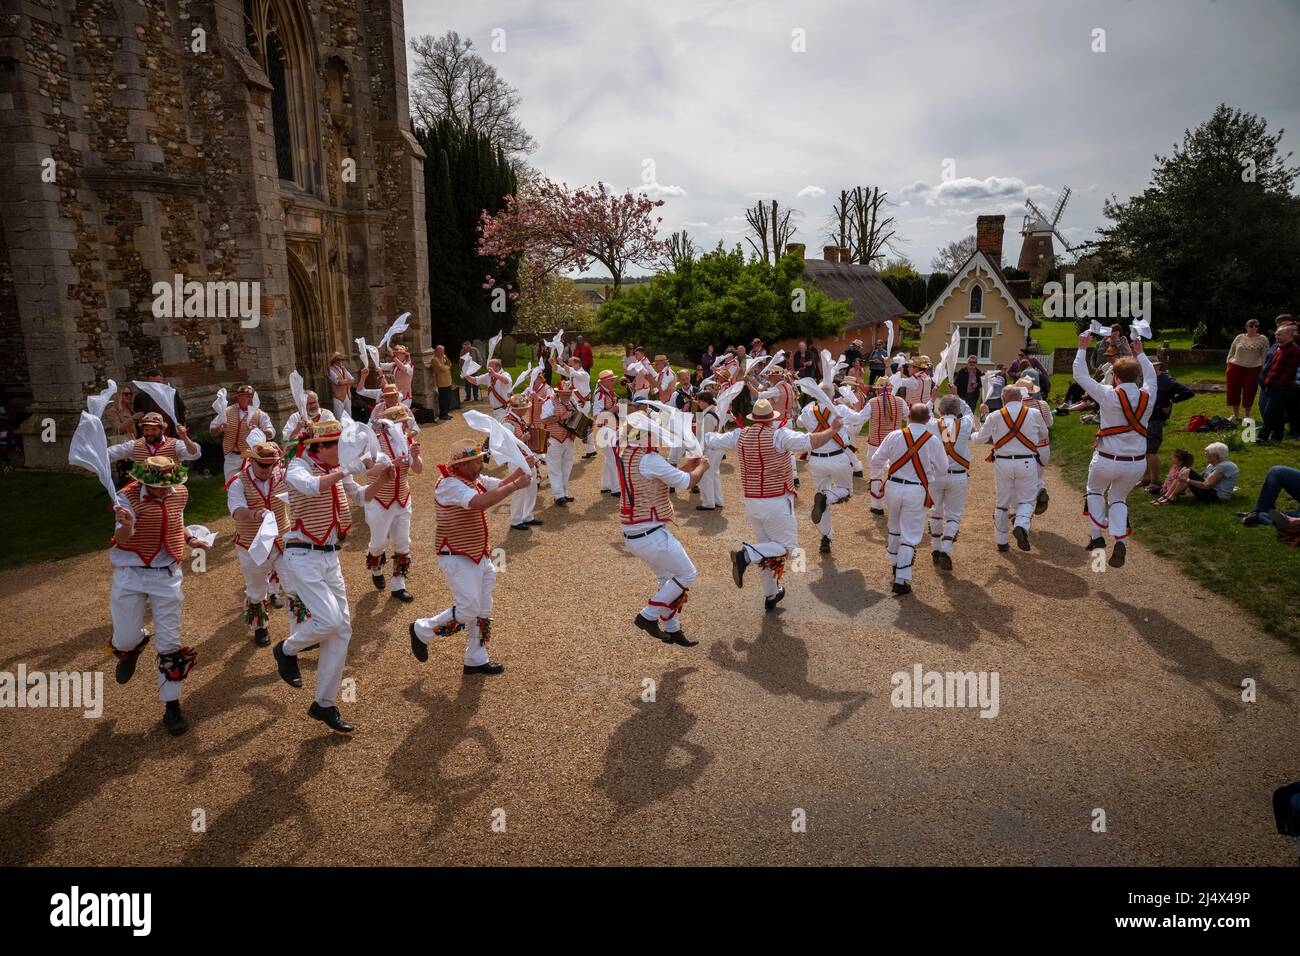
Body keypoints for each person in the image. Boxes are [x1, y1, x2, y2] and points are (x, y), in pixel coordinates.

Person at [273, 419, 385, 733]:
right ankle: (286, 649)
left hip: (329, 555)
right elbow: (311, 487)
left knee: (342, 630)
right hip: (302, 555)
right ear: (319, 447)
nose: (345, 450)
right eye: (339, 445)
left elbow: (361, 496)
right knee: (329, 621)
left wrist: (384, 477)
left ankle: (324, 703)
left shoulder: (335, 469)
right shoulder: (297, 467)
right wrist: (351, 466)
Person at [409, 439, 531, 675]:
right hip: (456, 554)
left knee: (484, 607)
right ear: (463, 465)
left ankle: (476, 658)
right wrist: (516, 485)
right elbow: (480, 502)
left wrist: (522, 467)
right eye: (477, 462)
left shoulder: (471, 479)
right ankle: (422, 629)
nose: (482, 466)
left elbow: (498, 486)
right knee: (467, 609)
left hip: (478, 553)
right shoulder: (448, 484)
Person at [705, 398, 840, 612]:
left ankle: (770, 594)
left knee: (767, 548)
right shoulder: (779, 435)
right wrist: (833, 429)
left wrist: (700, 427)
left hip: (752, 500)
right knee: (790, 548)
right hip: (776, 499)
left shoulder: (740, 435)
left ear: (753, 418)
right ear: (771, 419)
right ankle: (746, 555)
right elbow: (811, 441)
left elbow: (711, 440)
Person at [107, 456, 209, 736]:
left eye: (169, 485)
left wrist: (190, 540)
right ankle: (133, 644)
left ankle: (171, 706)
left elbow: (177, 521)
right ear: (143, 481)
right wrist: (126, 523)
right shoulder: (125, 497)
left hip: (167, 574)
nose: (165, 491)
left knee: (170, 641)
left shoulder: (180, 493)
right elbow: (123, 538)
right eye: (157, 486)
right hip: (131, 571)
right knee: (124, 637)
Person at [615, 410, 711, 646]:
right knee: (688, 573)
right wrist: (702, 467)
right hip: (649, 533)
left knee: (666, 578)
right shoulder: (650, 459)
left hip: (634, 532)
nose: (658, 437)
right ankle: (647, 615)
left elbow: (669, 476)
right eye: (654, 432)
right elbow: (687, 483)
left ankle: (672, 628)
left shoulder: (628, 453)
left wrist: (688, 465)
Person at [1072, 332, 1156, 567]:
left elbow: (1080, 375)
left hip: (1107, 459)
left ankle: (1098, 535)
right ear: (1136, 376)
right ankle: (1119, 539)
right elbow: (1152, 377)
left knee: (1095, 491)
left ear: (1115, 377)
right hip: (1136, 463)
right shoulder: (1148, 396)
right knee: (1118, 498)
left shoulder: (1107, 394)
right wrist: (1141, 353)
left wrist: (1082, 348)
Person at [872, 404, 950, 595]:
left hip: (893, 486)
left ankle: (895, 562)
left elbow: (875, 460)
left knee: (894, 525)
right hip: (916, 490)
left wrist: (891, 466)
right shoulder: (933, 440)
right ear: (927, 420)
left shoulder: (894, 435)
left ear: (908, 417)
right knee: (910, 533)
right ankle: (901, 579)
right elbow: (943, 468)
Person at [226, 439, 291, 647]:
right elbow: (236, 511)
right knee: (255, 590)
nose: (267, 469)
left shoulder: (282, 474)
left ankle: (302, 632)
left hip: (282, 539)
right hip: (252, 543)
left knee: (294, 585)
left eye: (271, 464)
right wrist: (256, 514)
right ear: (251, 461)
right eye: (262, 465)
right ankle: (260, 626)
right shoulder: (238, 481)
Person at [972, 384, 1049, 553]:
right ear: (1021, 398)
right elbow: (1044, 435)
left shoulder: (995, 416)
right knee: (1026, 500)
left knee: (1002, 502)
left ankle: (1002, 542)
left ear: (1002, 399)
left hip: (1003, 462)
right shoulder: (1035, 414)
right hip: (1027, 461)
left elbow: (979, 440)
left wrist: (973, 433)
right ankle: (1021, 524)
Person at [364, 404, 423, 603]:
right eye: (403, 421)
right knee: (378, 542)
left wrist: (414, 457)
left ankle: (399, 585)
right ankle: (376, 565)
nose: (407, 424)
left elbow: (418, 470)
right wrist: (391, 464)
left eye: (406, 420)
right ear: (391, 425)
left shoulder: (408, 440)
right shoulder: (375, 442)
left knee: (402, 542)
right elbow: (368, 472)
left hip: (403, 498)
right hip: (380, 499)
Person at [927, 395, 974, 571]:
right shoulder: (966, 423)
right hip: (958, 475)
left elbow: (922, 413)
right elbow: (969, 411)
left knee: (936, 512)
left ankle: (935, 548)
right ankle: (946, 549)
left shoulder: (931, 424)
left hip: (936, 475)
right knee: (954, 515)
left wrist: (932, 398)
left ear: (939, 410)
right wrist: (960, 397)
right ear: (958, 411)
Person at [1140, 360, 1195, 492]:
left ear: (1158, 366)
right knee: (1143, 450)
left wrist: (1171, 401)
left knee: (1151, 451)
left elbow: (1188, 392)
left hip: (1156, 419)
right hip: (1144, 418)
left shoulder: (1167, 381)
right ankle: (1145, 478)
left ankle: (1154, 482)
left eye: (1151, 366)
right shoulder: (1146, 379)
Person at [863, 379, 910, 514]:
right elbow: (908, 416)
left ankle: (877, 506)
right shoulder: (901, 401)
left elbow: (860, 418)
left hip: (876, 443)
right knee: (895, 469)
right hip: (896, 443)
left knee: (875, 472)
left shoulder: (872, 403)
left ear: (878, 389)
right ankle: (897, 501)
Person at [212, 384, 273, 480]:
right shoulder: (227, 411)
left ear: (253, 398)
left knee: (251, 486)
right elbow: (212, 431)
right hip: (231, 456)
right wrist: (219, 429)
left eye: (248, 396)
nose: (245, 399)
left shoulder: (259, 414)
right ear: (238, 397)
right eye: (242, 396)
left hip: (250, 457)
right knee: (231, 485)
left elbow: (271, 433)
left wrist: (258, 430)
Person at [1011, 377, 1054, 513]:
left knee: (1019, 481)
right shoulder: (1042, 405)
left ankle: (1021, 514)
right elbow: (1049, 423)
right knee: (1038, 476)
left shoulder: (1014, 408)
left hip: (1024, 448)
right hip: (1043, 447)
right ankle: (1041, 489)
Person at [1154, 442, 1238, 505]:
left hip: (1217, 497)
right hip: (1210, 492)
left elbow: (1206, 485)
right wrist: (1182, 476)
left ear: (1216, 456)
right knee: (1185, 470)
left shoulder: (1224, 466)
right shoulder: (1212, 465)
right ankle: (1168, 496)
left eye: (1207, 453)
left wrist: (1186, 480)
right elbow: (1199, 476)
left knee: (1187, 472)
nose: (1205, 454)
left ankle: (1172, 498)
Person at [1257, 317, 1298, 444]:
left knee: (1269, 412)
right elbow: (1271, 367)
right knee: (1278, 413)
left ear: (1288, 336)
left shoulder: (1295, 351)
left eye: (1279, 334)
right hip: (1270, 384)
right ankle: (1277, 436)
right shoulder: (1279, 348)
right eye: (1276, 333)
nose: (1276, 336)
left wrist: (1280, 384)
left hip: (1281, 387)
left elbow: (1290, 371)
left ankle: (1262, 437)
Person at [108, 411, 201, 466]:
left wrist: (184, 437)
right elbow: (111, 453)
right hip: (143, 489)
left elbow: (194, 454)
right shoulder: (134, 445)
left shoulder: (174, 444)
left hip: (170, 488)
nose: (149, 433)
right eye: (146, 429)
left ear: (162, 430)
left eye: (154, 429)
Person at [540, 381, 578, 505]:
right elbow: (544, 420)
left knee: (567, 466)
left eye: (569, 393)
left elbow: (577, 417)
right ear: (559, 392)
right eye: (565, 393)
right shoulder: (549, 402)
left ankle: (564, 492)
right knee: (554, 467)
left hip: (569, 438)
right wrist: (562, 417)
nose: (568, 395)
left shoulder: (573, 401)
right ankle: (558, 495)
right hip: (554, 438)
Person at [1225, 319, 1269, 420]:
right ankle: (1235, 415)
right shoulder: (1239, 337)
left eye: (1256, 326)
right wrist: (1228, 364)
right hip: (1235, 367)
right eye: (1251, 326)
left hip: (1253, 369)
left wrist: (1263, 369)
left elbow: (1265, 356)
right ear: (1246, 327)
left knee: (1250, 392)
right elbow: (1231, 352)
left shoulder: (1263, 339)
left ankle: (1247, 415)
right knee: (1233, 391)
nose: (1254, 328)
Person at [555, 354, 594, 459]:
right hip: (578, 404)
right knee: (582, 426)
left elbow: (573, 372)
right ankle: (592, 449)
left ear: (578, 364)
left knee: (576, 426)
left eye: (571, 364)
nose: (569, 366)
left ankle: (572, 448)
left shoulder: (584, 374)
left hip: (583, 404)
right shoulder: (573, 373)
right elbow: (559, 370)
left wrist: (562, 363)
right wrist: (553, 363)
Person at [694, 390, 725, 511]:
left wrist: (698, 452)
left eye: (699, 401)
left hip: (710, 448)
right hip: (717, 448)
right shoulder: (714, 411)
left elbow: (704, 437)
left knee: (706, 475)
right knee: (714, 474)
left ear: (704, 402)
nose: (698, 404)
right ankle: (718, 500)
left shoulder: (707, 416)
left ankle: (708, 502)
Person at [593, 370, 620, 495]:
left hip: (610, 428)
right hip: (605, 429)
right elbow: (597, 415)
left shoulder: (608, 393)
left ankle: (606, 485)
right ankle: (616, 488)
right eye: (611, 380)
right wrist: (612, 409)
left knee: (609, 458)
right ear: (604, 382)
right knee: (614, 458)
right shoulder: (600, 395)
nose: (613, 381)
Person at [326, 353, 355, 420]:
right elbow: (338, 382)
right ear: (333, 360)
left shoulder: (344, 369)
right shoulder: (330, 370)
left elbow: (353, 380)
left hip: (347, 395)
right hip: (338, 396)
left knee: (349, 417)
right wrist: (348, 380)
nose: (340, 361)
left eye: (342, 359)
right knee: (339, 418)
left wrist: (344, 381)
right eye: (338, 359)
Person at [431, 345, 453, 421]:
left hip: (448, 381)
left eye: (443, 351)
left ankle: (446, 413)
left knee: (448, 399)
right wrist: (448, 367)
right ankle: (442, 414)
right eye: (440, 351)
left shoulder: (443, 358)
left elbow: (450, 364)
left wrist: (446, 359)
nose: (442, 353)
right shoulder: (435, 359)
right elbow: (442, 368)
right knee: (443, 399)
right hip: (442, 383)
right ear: (436, 351)